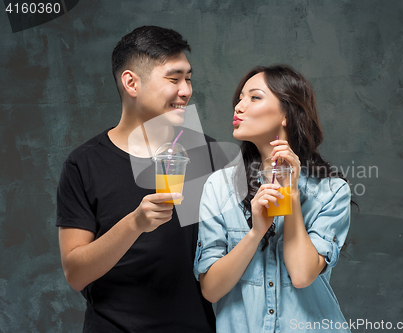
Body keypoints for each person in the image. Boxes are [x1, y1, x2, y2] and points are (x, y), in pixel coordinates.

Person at [57, 26, 221, 332]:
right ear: (131, 82)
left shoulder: (205, 153)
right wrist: (134, 224)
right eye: (173, 79)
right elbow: (76, 273)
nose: (186, 90)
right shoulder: (84, 164)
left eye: (188, 78)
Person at [194, 65, 352, 332]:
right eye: (239, 98)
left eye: (254, 97)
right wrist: (256, 233)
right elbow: (210, 290)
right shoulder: (219, 187)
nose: (238, 107)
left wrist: (290, 196)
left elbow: (302, 275)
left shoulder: (331, 191)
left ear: (287, 115)